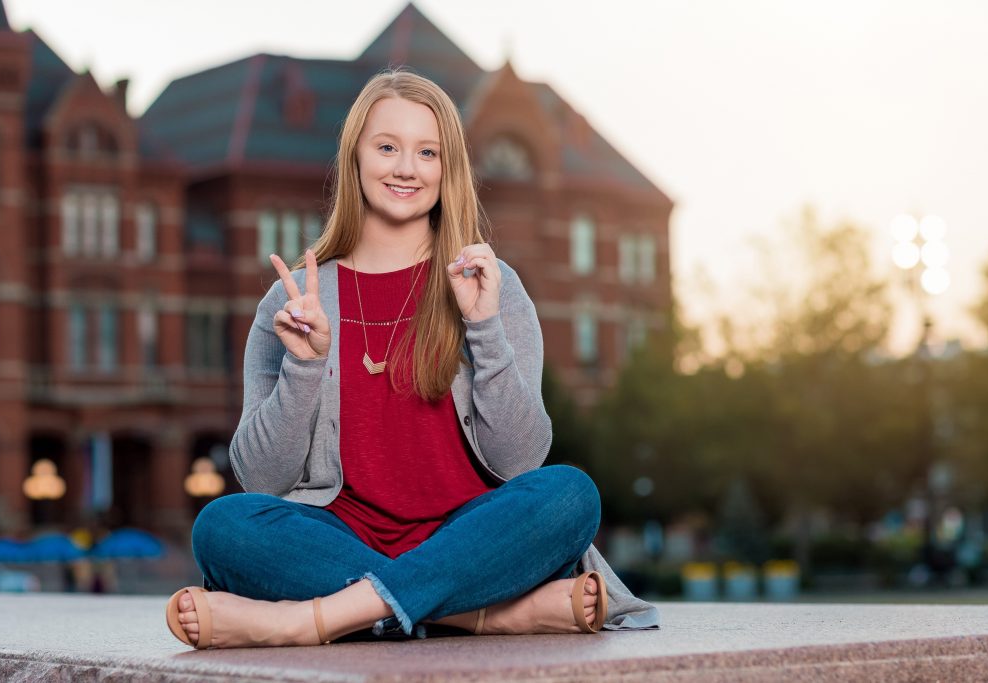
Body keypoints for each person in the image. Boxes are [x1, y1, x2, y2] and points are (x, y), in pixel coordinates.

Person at [165, 69, 659, 650]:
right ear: (355, 158)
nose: (407, 168)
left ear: (448, 170)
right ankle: (479, 616)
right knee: (222, 528)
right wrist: (303, 366)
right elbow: (263, 478)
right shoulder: (294, 300)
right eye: (388, 147)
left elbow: (522, 461)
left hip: (471, 536)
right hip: (340, 540)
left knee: (571, 495)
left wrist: (485, 329)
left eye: (428, 152)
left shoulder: (492, 286)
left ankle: (313, 619)